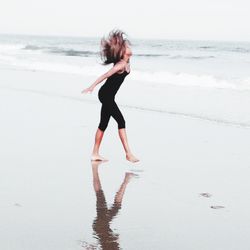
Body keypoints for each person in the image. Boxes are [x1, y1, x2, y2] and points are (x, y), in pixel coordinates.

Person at [81, 29, 139, 163]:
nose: (129, 48)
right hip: (105, 95)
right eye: (126, 47)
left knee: (103, 124)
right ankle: (128, 154)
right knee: (121, 121)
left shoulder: (126, 62)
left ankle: (95, 153)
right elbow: (105, 75)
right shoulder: (120, 65)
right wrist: (92, 86)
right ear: (123, 52)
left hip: (108, 96)